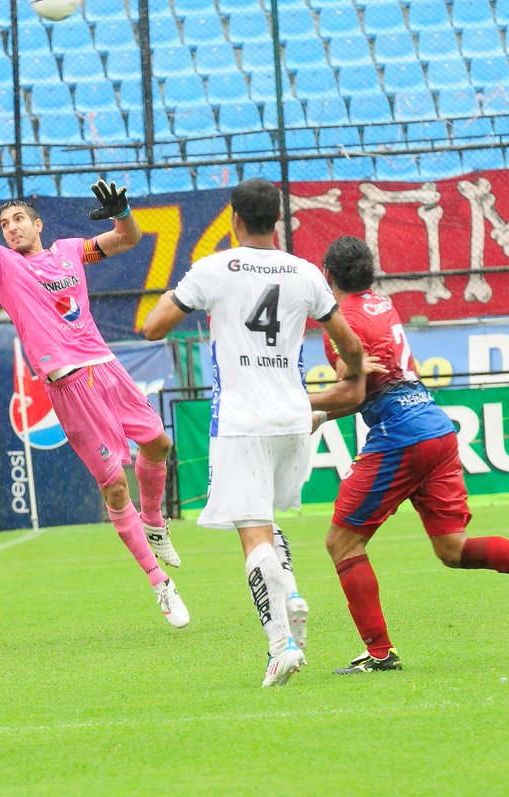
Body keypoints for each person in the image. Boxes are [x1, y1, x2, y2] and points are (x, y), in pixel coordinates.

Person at [0, 119, 188, 628]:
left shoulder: (70, 251)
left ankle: (155, 522)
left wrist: (124, 211)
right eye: (6, 222)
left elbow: (128, 239)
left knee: (160, 445)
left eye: (19, 220)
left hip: (106, 368)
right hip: (69, 386)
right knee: (112, 487)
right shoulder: (4, 268)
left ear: (39, 226)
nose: (10, 227)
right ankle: (158, 583)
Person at [310, 236, 509, 674]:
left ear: (327, 276)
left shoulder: (342, 322)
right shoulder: (381, 306)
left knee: (342, 542)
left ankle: (380, 654)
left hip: (398, 436)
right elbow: (371, 387)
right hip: (434, 427)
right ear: (370, 273)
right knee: (451, 548)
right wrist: (324, 414)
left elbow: (353, 391)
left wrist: (300, 404)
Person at [143, 178, 370, 686]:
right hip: (293, 420)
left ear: (235, 221)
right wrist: (354, 370)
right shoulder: (305, 273)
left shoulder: (213, 269)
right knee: (265, 523)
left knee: (251, 534)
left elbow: (154, 328)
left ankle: (280, 644)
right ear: (278, 219)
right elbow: (349, 344)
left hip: (242, 422)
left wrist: (180, 295)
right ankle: (289, 595)